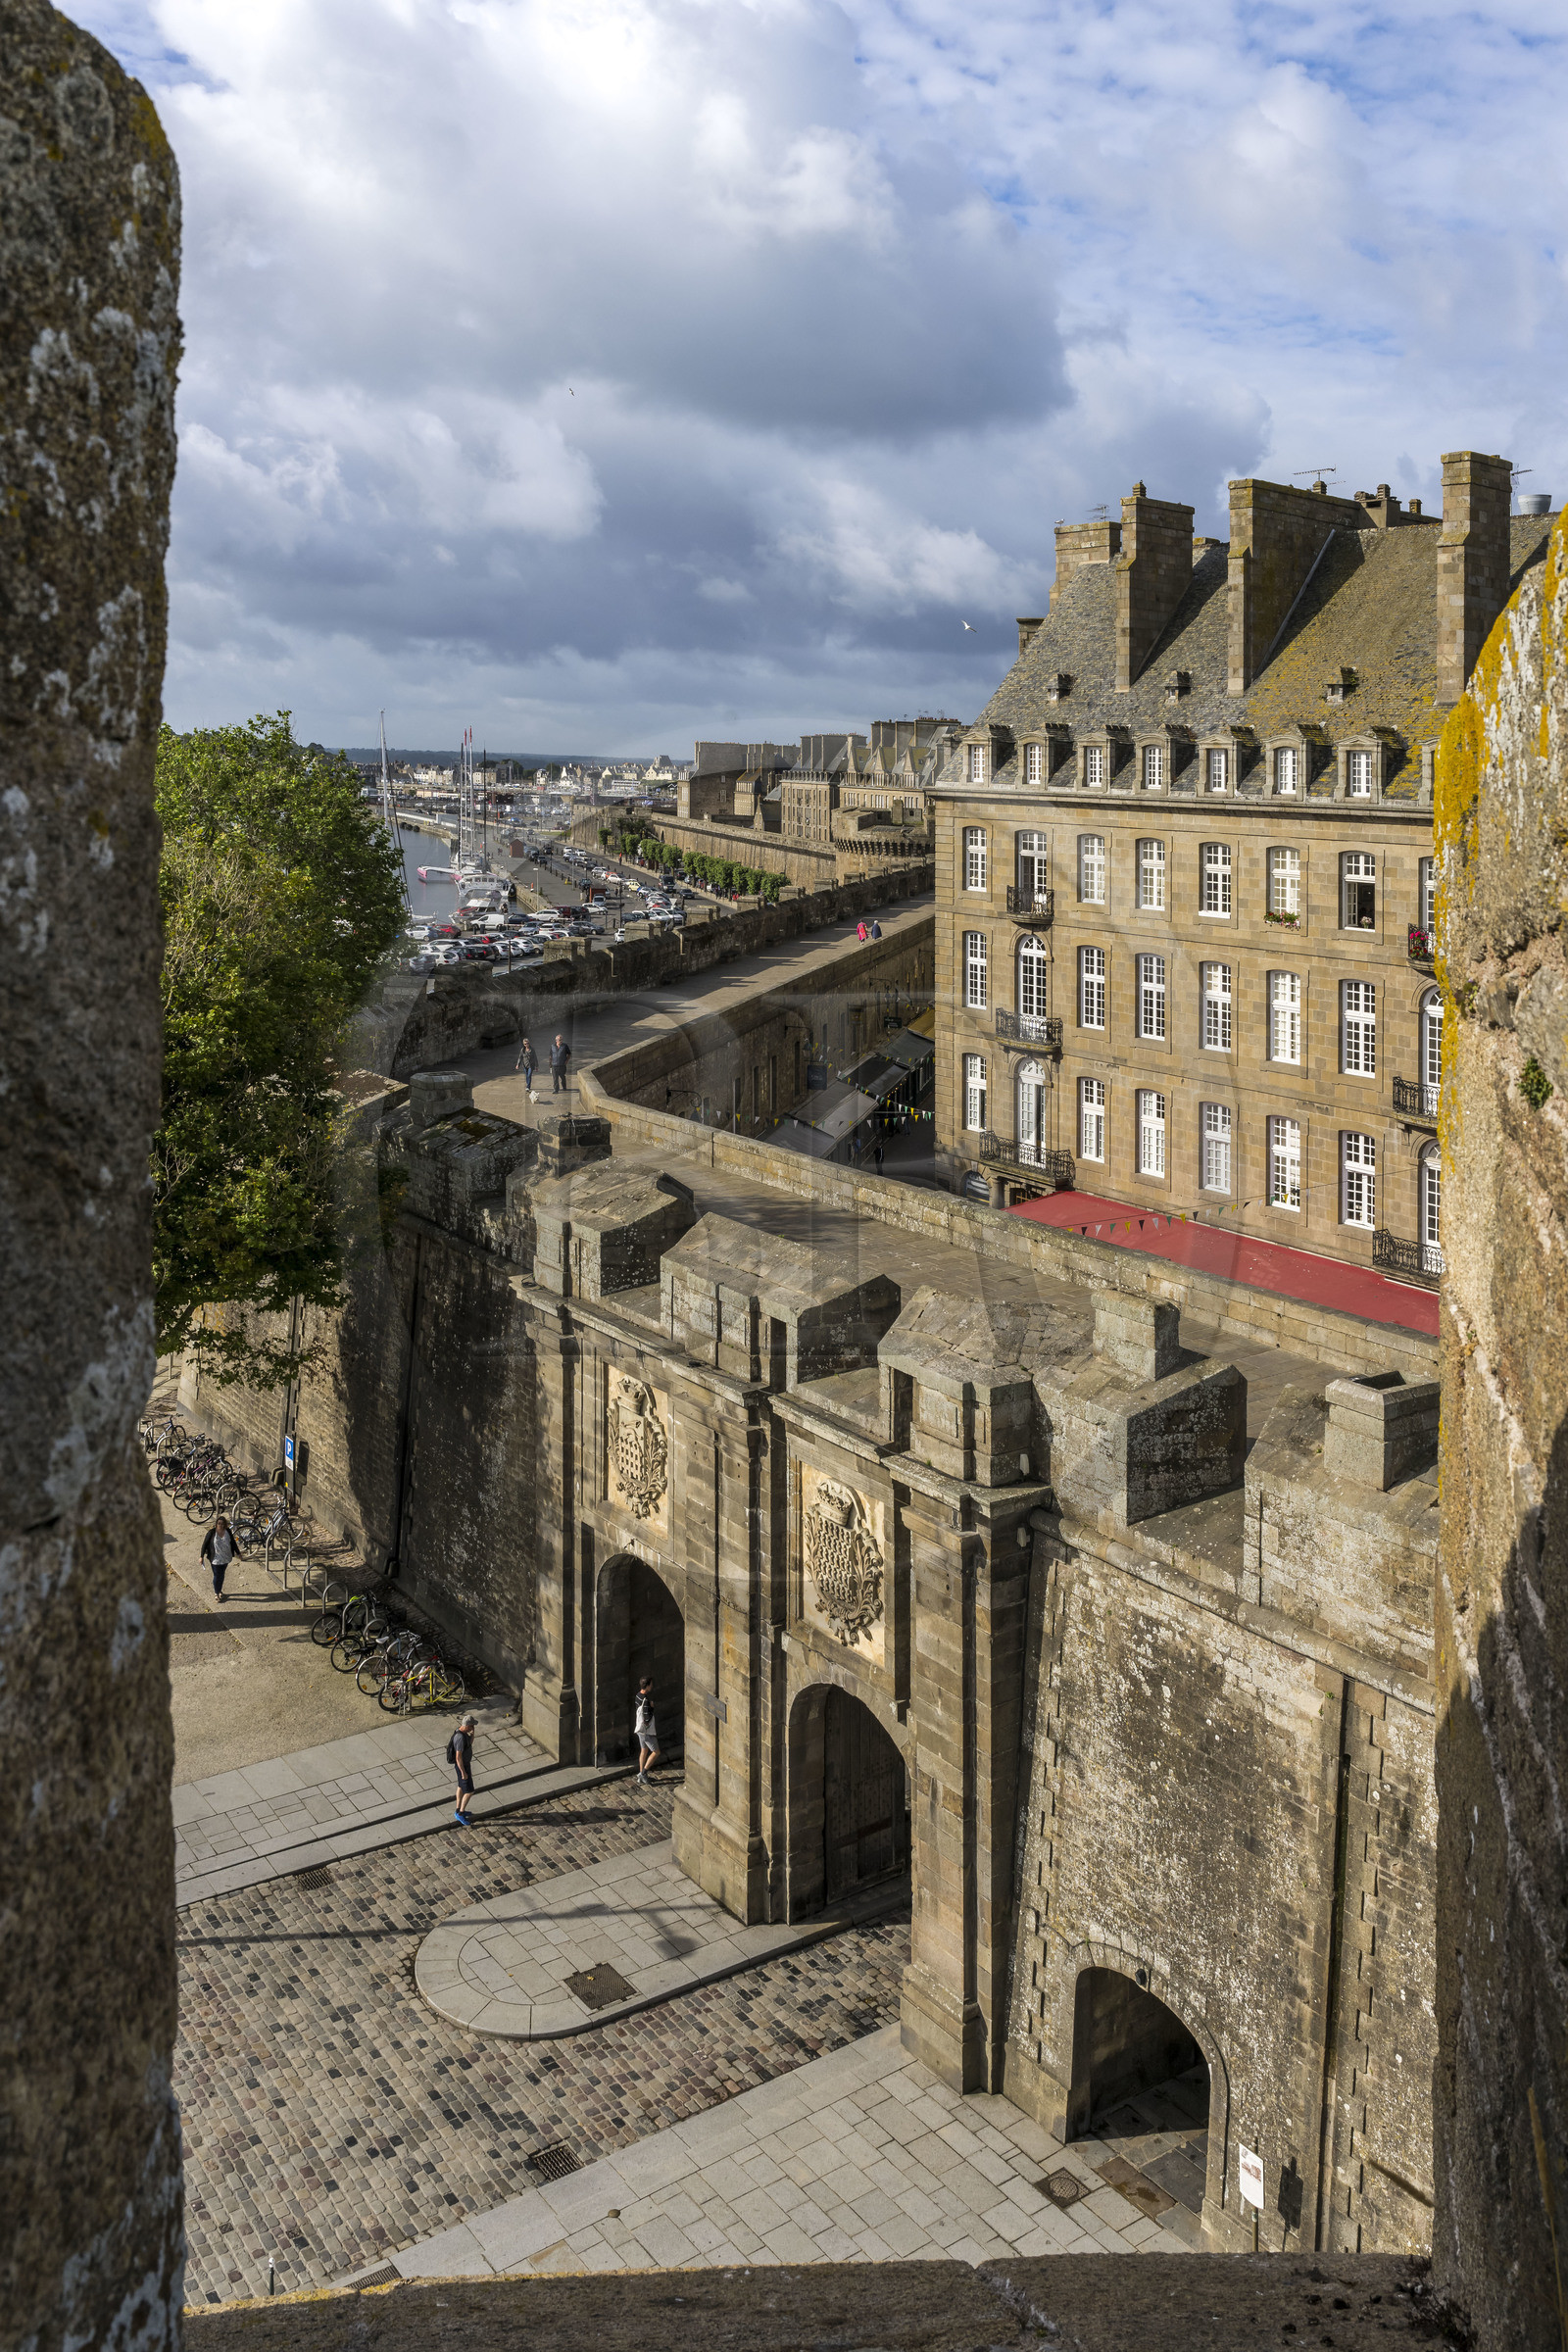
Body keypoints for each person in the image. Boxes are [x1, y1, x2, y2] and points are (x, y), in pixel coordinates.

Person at [447, 1713, 477, 1827]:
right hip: (462, 1766)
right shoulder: (459, 1737)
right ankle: (461, 1813)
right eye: (472, 1726)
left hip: (464, 1765)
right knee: (469, 1791)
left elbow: (468, 1745)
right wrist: (463, 1772)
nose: (473, 1727)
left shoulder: (462, 1733)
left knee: (460, 1787)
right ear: (467, 1725)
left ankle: (457, 1809)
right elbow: (458, 1757)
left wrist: (472, 1735)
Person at [200, 1514, 237, 1602]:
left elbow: (233, 1543)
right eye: (219, 1523)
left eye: (222, 1524)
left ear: (225, 1524)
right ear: (216, 1524)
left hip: (225, 1557)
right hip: (215, 1558)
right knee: (217, 1575)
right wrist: (201, 1556)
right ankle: (216, 1593)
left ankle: (220, 1590)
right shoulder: (211, 1532)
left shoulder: (228, 1531)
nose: (220, 1525)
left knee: (222, 1574)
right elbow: (204, 1544)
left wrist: (238, 1553)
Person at [634, 1677, 660, 1785]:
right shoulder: (646, 1700)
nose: (652, 1686)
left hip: (639, 1730)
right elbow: (647, 1719)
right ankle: (643, 1773)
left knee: (643, 1750)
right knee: (656, 1752)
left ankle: (641, 1776)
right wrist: (652, 1707)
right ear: (647, 1685)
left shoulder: (637, 1696)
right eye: (651, 1684)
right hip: (646, 1731)